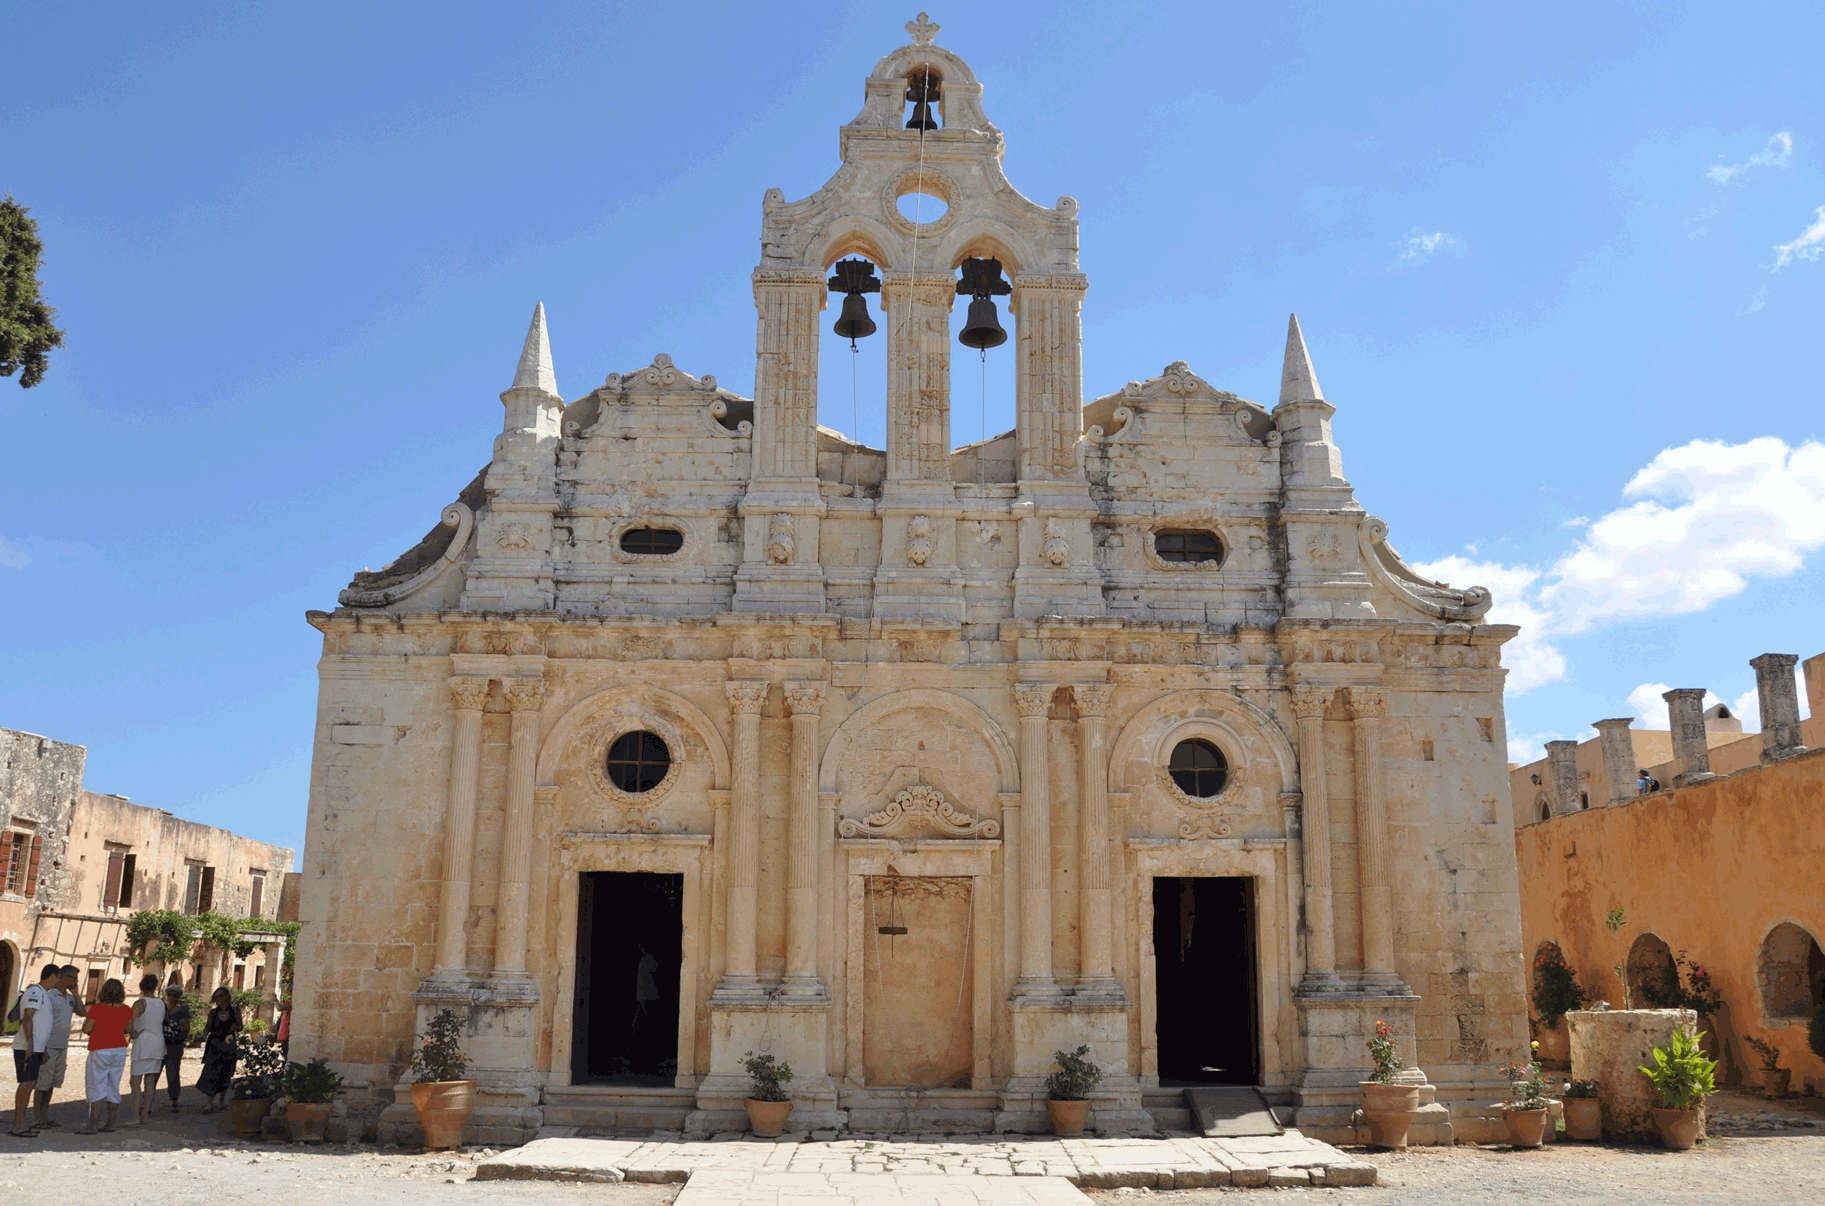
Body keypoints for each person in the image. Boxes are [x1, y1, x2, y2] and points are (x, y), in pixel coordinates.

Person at [32, 965, 87, 1129]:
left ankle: (44, 1116)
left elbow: (83, 1012)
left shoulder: (69, 997)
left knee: (52, 1082)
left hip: (62, 1045)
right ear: (65, 977)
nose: (77, 981)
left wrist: (76, 993)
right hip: (48, 1045)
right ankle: (37, 1117)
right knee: (42, 1082)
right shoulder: (49, 995)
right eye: (75, 978)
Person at [76, 978, 133, 1134]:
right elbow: (129, 1029)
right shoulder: (127, 1009)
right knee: (113, 1085)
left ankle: (93, 1124)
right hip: (119, 1050)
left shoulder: (98, 1008)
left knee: (96, 1085)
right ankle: (110, 1123)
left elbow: (87, 1029)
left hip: (100, 1049)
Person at [9, 964, 58, 1137]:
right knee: (26, 1084)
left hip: (35, 1047)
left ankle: (20, 1122)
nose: (58, 981)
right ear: (51, 976)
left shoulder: (43, 994)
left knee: (29, 1083)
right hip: (27, 1047)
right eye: (57, 977)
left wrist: (40, 1048)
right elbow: (28, 1016)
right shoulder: (35, 992)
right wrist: (31, 1045)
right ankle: (18, 1124)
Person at [126, 974, 167, 1126]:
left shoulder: (140, 1003)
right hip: (158, 1043)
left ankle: (134, 1116)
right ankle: (145, 1116)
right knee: (150, 1082)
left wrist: (132, 1033)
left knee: (135, 1082)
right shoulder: (162, 1003)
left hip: (143, 1043)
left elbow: (129, 1021)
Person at [147, 983, 191, 1114]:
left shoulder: (183, 1010)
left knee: (172, 1075)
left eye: (175, 995)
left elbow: (186, 1028)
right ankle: (147, 1103)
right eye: (170, 993)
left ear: (179, 997)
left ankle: (174, 1101)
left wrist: (179, 1036)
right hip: (159, 1046)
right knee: (153, 1075)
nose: (172, 997)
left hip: (174, 1047)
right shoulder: (161, 1008)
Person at [195, 987, 241, 1113]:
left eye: (221, 996)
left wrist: (235, 1027)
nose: (219, 999)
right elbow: (207, 1028)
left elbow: (240, 1026)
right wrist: (203, 1036)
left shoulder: (235, 1010)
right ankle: (209, 1103)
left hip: (229, 1044)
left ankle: (221, 1101)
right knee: (211, 1072)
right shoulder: (213, 1012)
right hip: (215, 1045)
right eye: (216, 997)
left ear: (227, 996)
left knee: (226, 1073)